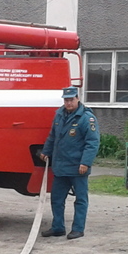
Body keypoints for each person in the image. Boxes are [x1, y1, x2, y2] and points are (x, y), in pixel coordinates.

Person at [39, 86, 100, 240]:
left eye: (71, 100)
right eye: (66, 100)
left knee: (80, 199)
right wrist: (46, 151)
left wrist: (85, 163)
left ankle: (78, 229)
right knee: (56, 199)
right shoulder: (59, 115)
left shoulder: (86, 118)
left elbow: (92, 142)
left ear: (77, 99)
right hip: (61, 166)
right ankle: (58, 227)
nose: (68, 103)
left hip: (78, 167)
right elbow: (53, 136)